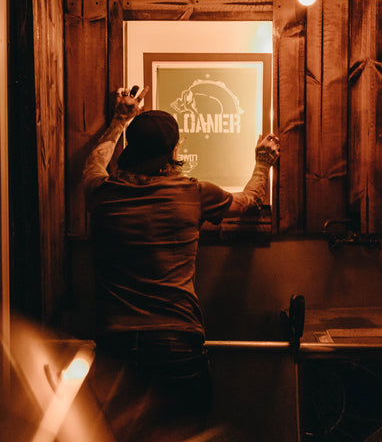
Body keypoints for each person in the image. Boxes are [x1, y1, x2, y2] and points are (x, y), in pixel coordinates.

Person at [82, 85, 280, 442]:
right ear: (172, 151)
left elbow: (95, 159)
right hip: (175, 343)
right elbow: (248, 200)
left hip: (115, 348)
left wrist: (119, 120)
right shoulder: (193, 193)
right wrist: (263, 162)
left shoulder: (101, 192)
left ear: (130, 150)